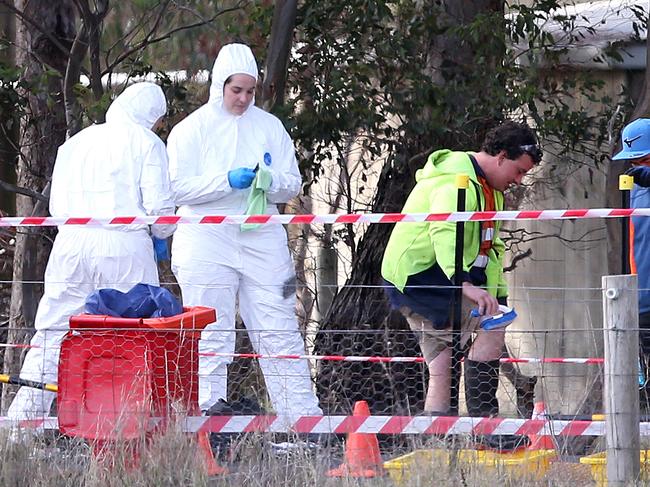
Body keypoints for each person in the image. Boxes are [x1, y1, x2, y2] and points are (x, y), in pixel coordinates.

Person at [7, 82, 176, 424]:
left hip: (71, 244)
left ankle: (22, 425)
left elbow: (55, 204)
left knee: (53, 333)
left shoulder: (76, 142)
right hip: (123, 246)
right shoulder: (146, 142)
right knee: (132, 336)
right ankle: (121, 424)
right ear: (151, 115)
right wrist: (162, 234)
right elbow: (160, 210)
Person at [167, 43, 322, 416]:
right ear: (219, 84)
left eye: (250, 91)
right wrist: (225, 181)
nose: (243, 98)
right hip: (206, 238)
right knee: (209, 326)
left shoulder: (269, 127)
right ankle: (206, 414)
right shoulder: (191, 129)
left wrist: (268, 181)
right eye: (236, 90)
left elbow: (292, 183)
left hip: (261, 236)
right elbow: (176, 187)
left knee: (279, 325)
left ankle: (301, 419)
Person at [381, 121, 541, 416]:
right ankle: (486, 426)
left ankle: (438, 441)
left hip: (436, 275)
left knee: (442, 362)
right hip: (421, 276)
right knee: (493, 324)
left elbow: (490, 248)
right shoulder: (458, 181)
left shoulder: (492, 190)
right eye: (518, 171)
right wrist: (462, 283)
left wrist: (497, 294)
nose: (519, 180)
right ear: (502, 156)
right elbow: (444, 231)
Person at [611, 117, 650, 405]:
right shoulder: (634, 187)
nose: (638, 167)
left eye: (645, 160)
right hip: (640, 297)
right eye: (634, 161)